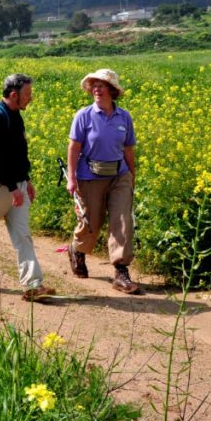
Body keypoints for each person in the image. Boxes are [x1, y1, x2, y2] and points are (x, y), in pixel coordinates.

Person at [0, 73, 56, 301]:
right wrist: (13, 187)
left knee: (23, 235)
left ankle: (33, 285)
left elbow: (17, 154)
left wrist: (25, 180)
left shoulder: (15, 116)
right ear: (14, 95)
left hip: (15, 186)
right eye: (27, 94)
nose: (30, 99)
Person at [65, 68, 141, 294]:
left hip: (120, 176)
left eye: (102, 85)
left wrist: (132, 174)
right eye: (94, 86)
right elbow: (74, 147)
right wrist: (72, 178)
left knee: (122, 221)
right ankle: (77, 250)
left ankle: (121, 271)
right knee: (92, 223)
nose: (96, 89)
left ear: (112, 90)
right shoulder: (84, 116)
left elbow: (128, 148)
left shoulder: (124, 116)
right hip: (90, 177)